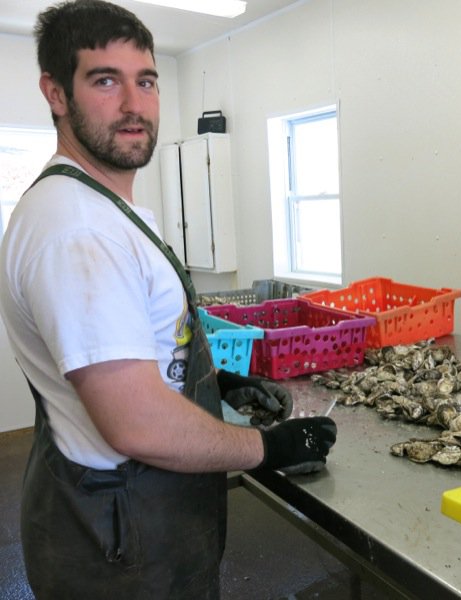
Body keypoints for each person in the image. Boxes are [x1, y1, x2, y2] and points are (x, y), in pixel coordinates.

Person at [0, 1, 336, 598]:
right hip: (120, 541)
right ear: (55, 92)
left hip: (128, 518)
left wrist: (219, 384)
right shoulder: (78, 228)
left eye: (146, 81)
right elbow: (136, 422)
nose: (134, 105)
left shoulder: (105, 208)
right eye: (105, 80)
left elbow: (137, 354)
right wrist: (270, 446)